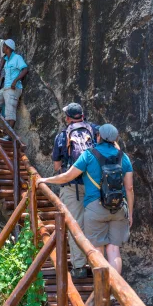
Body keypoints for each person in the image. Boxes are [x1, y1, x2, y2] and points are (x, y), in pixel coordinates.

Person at [38, 123, 134, 278]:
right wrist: (130, 212)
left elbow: (68, 176)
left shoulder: (89, 155)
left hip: (95, 207)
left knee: (97, 250)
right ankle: (113, 292)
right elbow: (129, 188)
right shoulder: (124, 157)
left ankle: (101, 292)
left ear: (99, 137)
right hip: (119, 208)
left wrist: (46, 179)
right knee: (114, 250)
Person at [52, 103, 98, 279]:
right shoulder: (94, 130)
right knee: (95, 224)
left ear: (68, 118)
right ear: (83, 115)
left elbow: (57, 165)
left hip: (73, 187)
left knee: (75, 225)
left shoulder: (63, 136)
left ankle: (79, 267)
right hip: (94, 185)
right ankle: (96, 265)